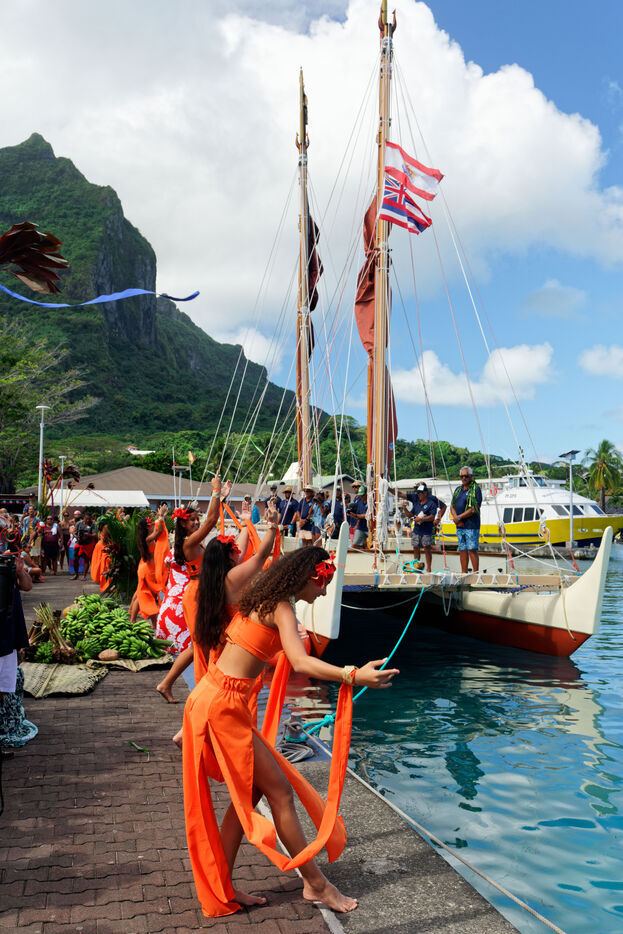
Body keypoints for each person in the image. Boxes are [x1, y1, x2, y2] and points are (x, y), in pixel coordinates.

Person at [183, 546, 399, 918]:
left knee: (251, 794)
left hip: (218, 699)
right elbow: (299, 662)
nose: (324, 592)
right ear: (306, 577)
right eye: (323, 583)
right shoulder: (281, 607)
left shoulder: (262, 597)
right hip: (222, 705)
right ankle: (316, 884)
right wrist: (352, 675)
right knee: (280, 793)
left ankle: (223, 886)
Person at [155, 487, 228, 704]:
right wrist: (215, 491)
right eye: (192, 520)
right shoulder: (189, 543)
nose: (196, 522)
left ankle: (169, 684)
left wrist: (221, 498)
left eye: (197, 519)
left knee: (197, 644)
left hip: (196, 594)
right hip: (192, 598)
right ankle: (200, 691)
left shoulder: (190, 542)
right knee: (199, 644)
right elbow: (211, 520)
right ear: (183, 524)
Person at [0, 550, 37, 749]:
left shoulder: (7, 562)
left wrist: (20, 570)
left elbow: (27, 586)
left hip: (8, 634)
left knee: (3, 686)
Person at [133, 506, 170, 627]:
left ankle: (152, 623)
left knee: (145, 595)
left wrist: (161, 517)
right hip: (148, 569)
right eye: (152, 524)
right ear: (148, 527)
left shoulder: (145, 539)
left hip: (146, 567)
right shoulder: (148, 539)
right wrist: (161, 517)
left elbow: (158, 530)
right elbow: (159, 532)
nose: (154, 525)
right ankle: (133, 620)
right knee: (145, 596)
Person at [398, 483, 446, 572]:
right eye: (417, 492)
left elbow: (432, 517)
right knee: (415, 548)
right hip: (417, 530)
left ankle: (429, 568)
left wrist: (422, 519)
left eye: (420, 493)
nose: (418, 494)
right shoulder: (417, 503)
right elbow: (410, 515)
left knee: (427, 548)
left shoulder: (431, 503)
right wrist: (404, 508)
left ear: (425, 493)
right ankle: (416, 566)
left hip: (427, 530)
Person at [450, 466, 482, 572]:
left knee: (472, 549)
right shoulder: (458, 490)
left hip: (471, 525)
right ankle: (464, 573)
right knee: (462, 549)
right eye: (462, 476)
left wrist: (459, 517)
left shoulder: (476, 489)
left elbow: (474, 508)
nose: (464, 478)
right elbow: (452, 506)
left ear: (471, 476)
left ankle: (476, 573)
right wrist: (456, 519)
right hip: (459, 525)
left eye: (466, 476)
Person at [72, 512, 97, 580]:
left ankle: (84, 576)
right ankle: (76, 574)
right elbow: (73, 531)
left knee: (86, 559)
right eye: (86, 519)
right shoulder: (79, 523)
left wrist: (89, 535)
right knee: (75, 559)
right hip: (79, 543)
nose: (88, 520)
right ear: (84, 518)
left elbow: (95, 535)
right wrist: (76, 537)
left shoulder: (93, 524)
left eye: (89, 519)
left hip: (88, 544)